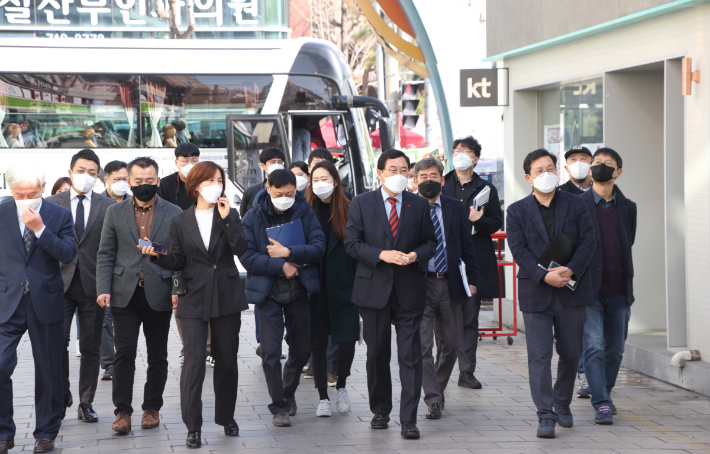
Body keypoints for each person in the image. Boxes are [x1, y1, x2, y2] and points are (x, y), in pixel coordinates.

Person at [141, 161, 248, 448]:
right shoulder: (180, 220)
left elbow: (242, 249)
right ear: (197, 185)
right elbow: (177, 259)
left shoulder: (230, 213)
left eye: (220, 180)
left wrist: (227, 220)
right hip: (193, 294)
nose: (217, 185)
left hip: (226, 292)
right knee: (194, 360)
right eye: (211, 180)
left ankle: (227, 417)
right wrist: (157, 255)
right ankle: (193, 426)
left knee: (227, 359)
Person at [344, 149, 437, 439]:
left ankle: (409, 419)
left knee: (411, 356)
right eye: (392, 169)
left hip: (409, 288)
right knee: (377, 354)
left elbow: (430, 242)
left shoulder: (418, 205)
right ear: (380, 173)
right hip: (373, 289)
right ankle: (380, 411)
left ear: (410, 173)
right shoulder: (361, 203)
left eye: (403, 169)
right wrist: (381, 254)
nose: (399, 174)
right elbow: (352, 243)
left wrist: (414, 255)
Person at [506, 148, 596, 439]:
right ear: (528, 178)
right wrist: (544, 275)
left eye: (550, 168)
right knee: (540, 356)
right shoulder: (516, 211)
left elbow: (588, 241)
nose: (546, 174)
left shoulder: (578, 204)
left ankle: (562, 402)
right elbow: (519, 250)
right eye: (539, 171)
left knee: (571, 352)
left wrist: (570, 271)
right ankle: (545, 414)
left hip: (571, 289)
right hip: (536, 293)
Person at [96, 156, 182, 435]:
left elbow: (182, 256)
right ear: (128, 182)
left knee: (158, 354)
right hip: (124, 294)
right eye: (137, 181)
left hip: (160, 291)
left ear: (158, 181)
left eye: (149, 181)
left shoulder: (174, 212)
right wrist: (103, 288)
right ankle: (122, 412)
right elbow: (106, 253)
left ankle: (151, 408)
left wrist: (176, 288)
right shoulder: (115, 212)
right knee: (124, 354)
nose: (143, 186)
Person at [240, 169, 325, 427]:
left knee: (301, 349)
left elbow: (318, 247)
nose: (285, 198)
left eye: (290, 193)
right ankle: (279, 407)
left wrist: (288, 252)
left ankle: (288, 391)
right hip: (268, 293)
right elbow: (247, 257)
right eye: (280, 194)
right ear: (268, 188)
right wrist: (281, 266)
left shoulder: (305, 212)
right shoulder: (252, 217)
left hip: (299, 290)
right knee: (270, 352)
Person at [0, 164, 76, 454]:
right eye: (20, 194)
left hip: (46, 300)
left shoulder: (59, 215)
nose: (27, 197)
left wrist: (40, 230)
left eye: (32, 193)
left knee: (48, 371)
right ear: (11, 191)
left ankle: (46, 432)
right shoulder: (3, 213)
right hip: (8, 303)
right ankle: (3, 432)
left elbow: (68, 254)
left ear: (42, 189)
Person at [46, 149, 116, 424]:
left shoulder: (108, 205)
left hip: (94, 286)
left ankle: (86, 401)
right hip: (57, 285)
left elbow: (112, 248)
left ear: (98, 177)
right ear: (70, 171)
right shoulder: (51, 202)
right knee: (57, 343)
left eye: (92, 172)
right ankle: (63, 395)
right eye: (81, 170)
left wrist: (107, 285)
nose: (86, 176)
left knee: (90, 347)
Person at [413, 158, 479, 420]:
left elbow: (467, 246)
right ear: (415, 180)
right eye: (423, 176)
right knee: (422, 345)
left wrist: (472, 279)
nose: (428, 180)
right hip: (420, 284)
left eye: (433, 176)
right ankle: (433, 399)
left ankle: (436, 389)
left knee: (452, 343)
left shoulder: (455, 207)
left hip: (449, 282)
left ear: (442, 179)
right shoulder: (410, 207)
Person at [440, 136, 504, 390]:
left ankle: (466, 371)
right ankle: (440, 366)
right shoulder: (441, 183)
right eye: (457, 151)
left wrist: (478, 219)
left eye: (466, 151)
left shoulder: (486, 189)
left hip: (473, 261)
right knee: (442, 318)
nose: (460, 155)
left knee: (469, 317)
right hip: (443, 259)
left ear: (476, 158)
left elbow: (496, 223)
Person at [580, 148, 636, 425]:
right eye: (597, 163)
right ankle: (601, 403)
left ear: (618, 172)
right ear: (590, 171)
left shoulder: (628, 207)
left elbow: (628, 242)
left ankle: (605, 392)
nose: (601, 167)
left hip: (620, 289)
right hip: (589, 290)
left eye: (608, 164)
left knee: (615, 349)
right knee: (594, 346)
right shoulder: (576, 204)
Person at [304, 160, 359, 417]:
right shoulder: (304, 209)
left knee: (347, 339)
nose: (320, 184)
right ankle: (322, 397)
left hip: (343, 284)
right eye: (315, 180)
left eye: (325, 178)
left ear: (336, 180)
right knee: (318, 341)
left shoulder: (349, 207)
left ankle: (343, 385)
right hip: (314, 287)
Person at [99, 160, 130, 381]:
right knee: (104, 319)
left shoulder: (136, 202)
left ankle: (123, 359)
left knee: (124, 321)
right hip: (104, 269)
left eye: (124, 179)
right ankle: (109, 364)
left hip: (129, 273)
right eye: (116, 179)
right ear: (106, 179)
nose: (121, 183)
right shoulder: (99, 204)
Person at [239, 147, 286, 218]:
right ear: (263, 166)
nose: (277, 165)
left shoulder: (290, 191)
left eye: (280, 162)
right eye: (273, 162)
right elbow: (244, 219)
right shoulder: (251, 192)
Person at [157, 143, 200, 211]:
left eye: (194, 161)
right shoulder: (164, 184)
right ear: (176, 162)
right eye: (185, 161)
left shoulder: (206, 182)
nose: (190, 165)